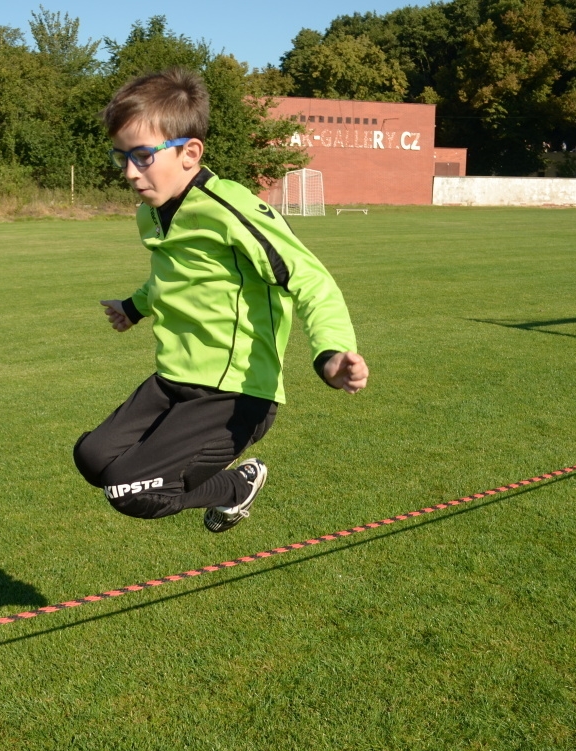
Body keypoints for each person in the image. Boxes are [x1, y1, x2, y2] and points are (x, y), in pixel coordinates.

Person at [74, 68, 369, 533]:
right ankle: (223, 484)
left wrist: (331, 352)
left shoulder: (229, 209)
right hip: (172, 379)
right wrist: (134, 307)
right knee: (92, 456)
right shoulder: (151, 214)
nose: (130, 173)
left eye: (143, 156)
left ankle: (235, 488)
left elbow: (311, 279)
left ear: (190, 152)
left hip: (232, 393)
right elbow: (172, 276)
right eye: (121, 157)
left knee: (130, 490)